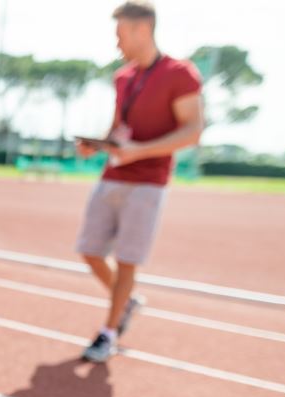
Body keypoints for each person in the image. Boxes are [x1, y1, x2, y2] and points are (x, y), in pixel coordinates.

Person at [75, 0, 204, 362]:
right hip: (113, 173)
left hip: (148, 181)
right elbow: (119, 127)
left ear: (142, 29)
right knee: (89, 250)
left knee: (127, 260)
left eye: (120, 34)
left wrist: (141, 151)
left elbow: (193, 131)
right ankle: (127, 302)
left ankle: (108, 332)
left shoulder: (180, 73)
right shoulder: (123, 77)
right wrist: (99, 144)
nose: (117, 43)